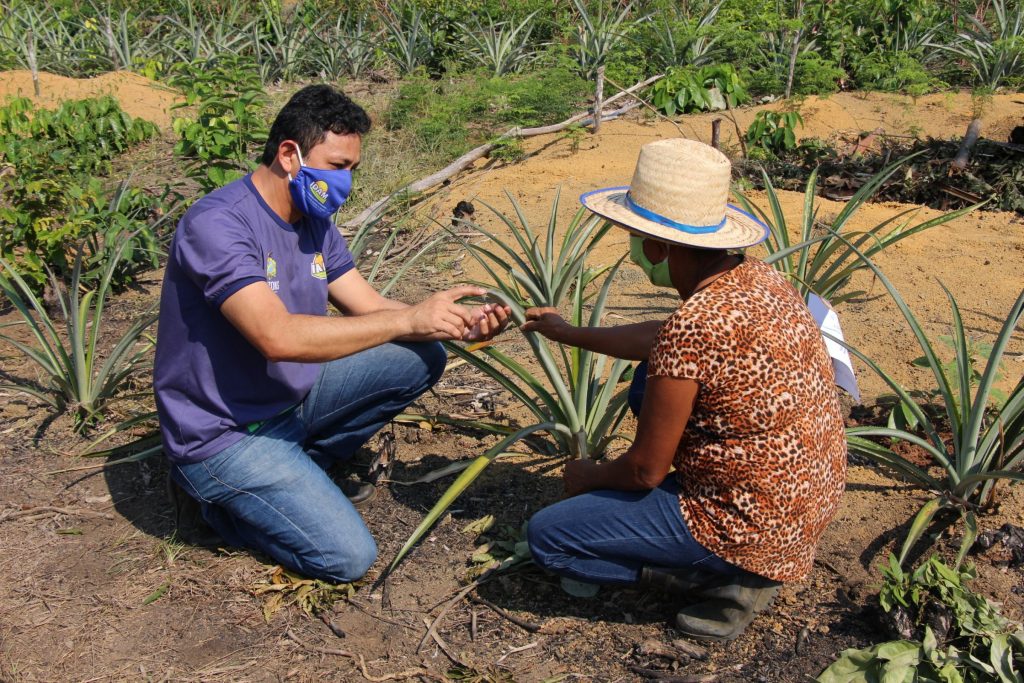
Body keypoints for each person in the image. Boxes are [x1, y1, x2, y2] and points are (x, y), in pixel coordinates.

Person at [153, 85, 509, 583]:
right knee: (346, 558)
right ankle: (216, 507)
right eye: (337, 166)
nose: (345, 182)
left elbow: (370, 307)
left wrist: (450, 321)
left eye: (352, 170)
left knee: (420, 356)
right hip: (225, 433)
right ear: (288, 154)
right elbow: (277, 337)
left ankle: (303, 464)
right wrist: (406, 320)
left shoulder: (314, 221)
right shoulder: (218, 224)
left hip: (288, 396)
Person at [522, 138, 847, 641]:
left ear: (658, 246)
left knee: (550, 537)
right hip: (807, 494)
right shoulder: (761, 279)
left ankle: (722, 580)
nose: (633, 247)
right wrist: (567, 332)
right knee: (647, 379)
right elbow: (664, 336)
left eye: (634, 236)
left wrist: (589, 476)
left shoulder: (695, 325)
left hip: (748, 521)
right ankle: (732, 562)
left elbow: (644, 471)